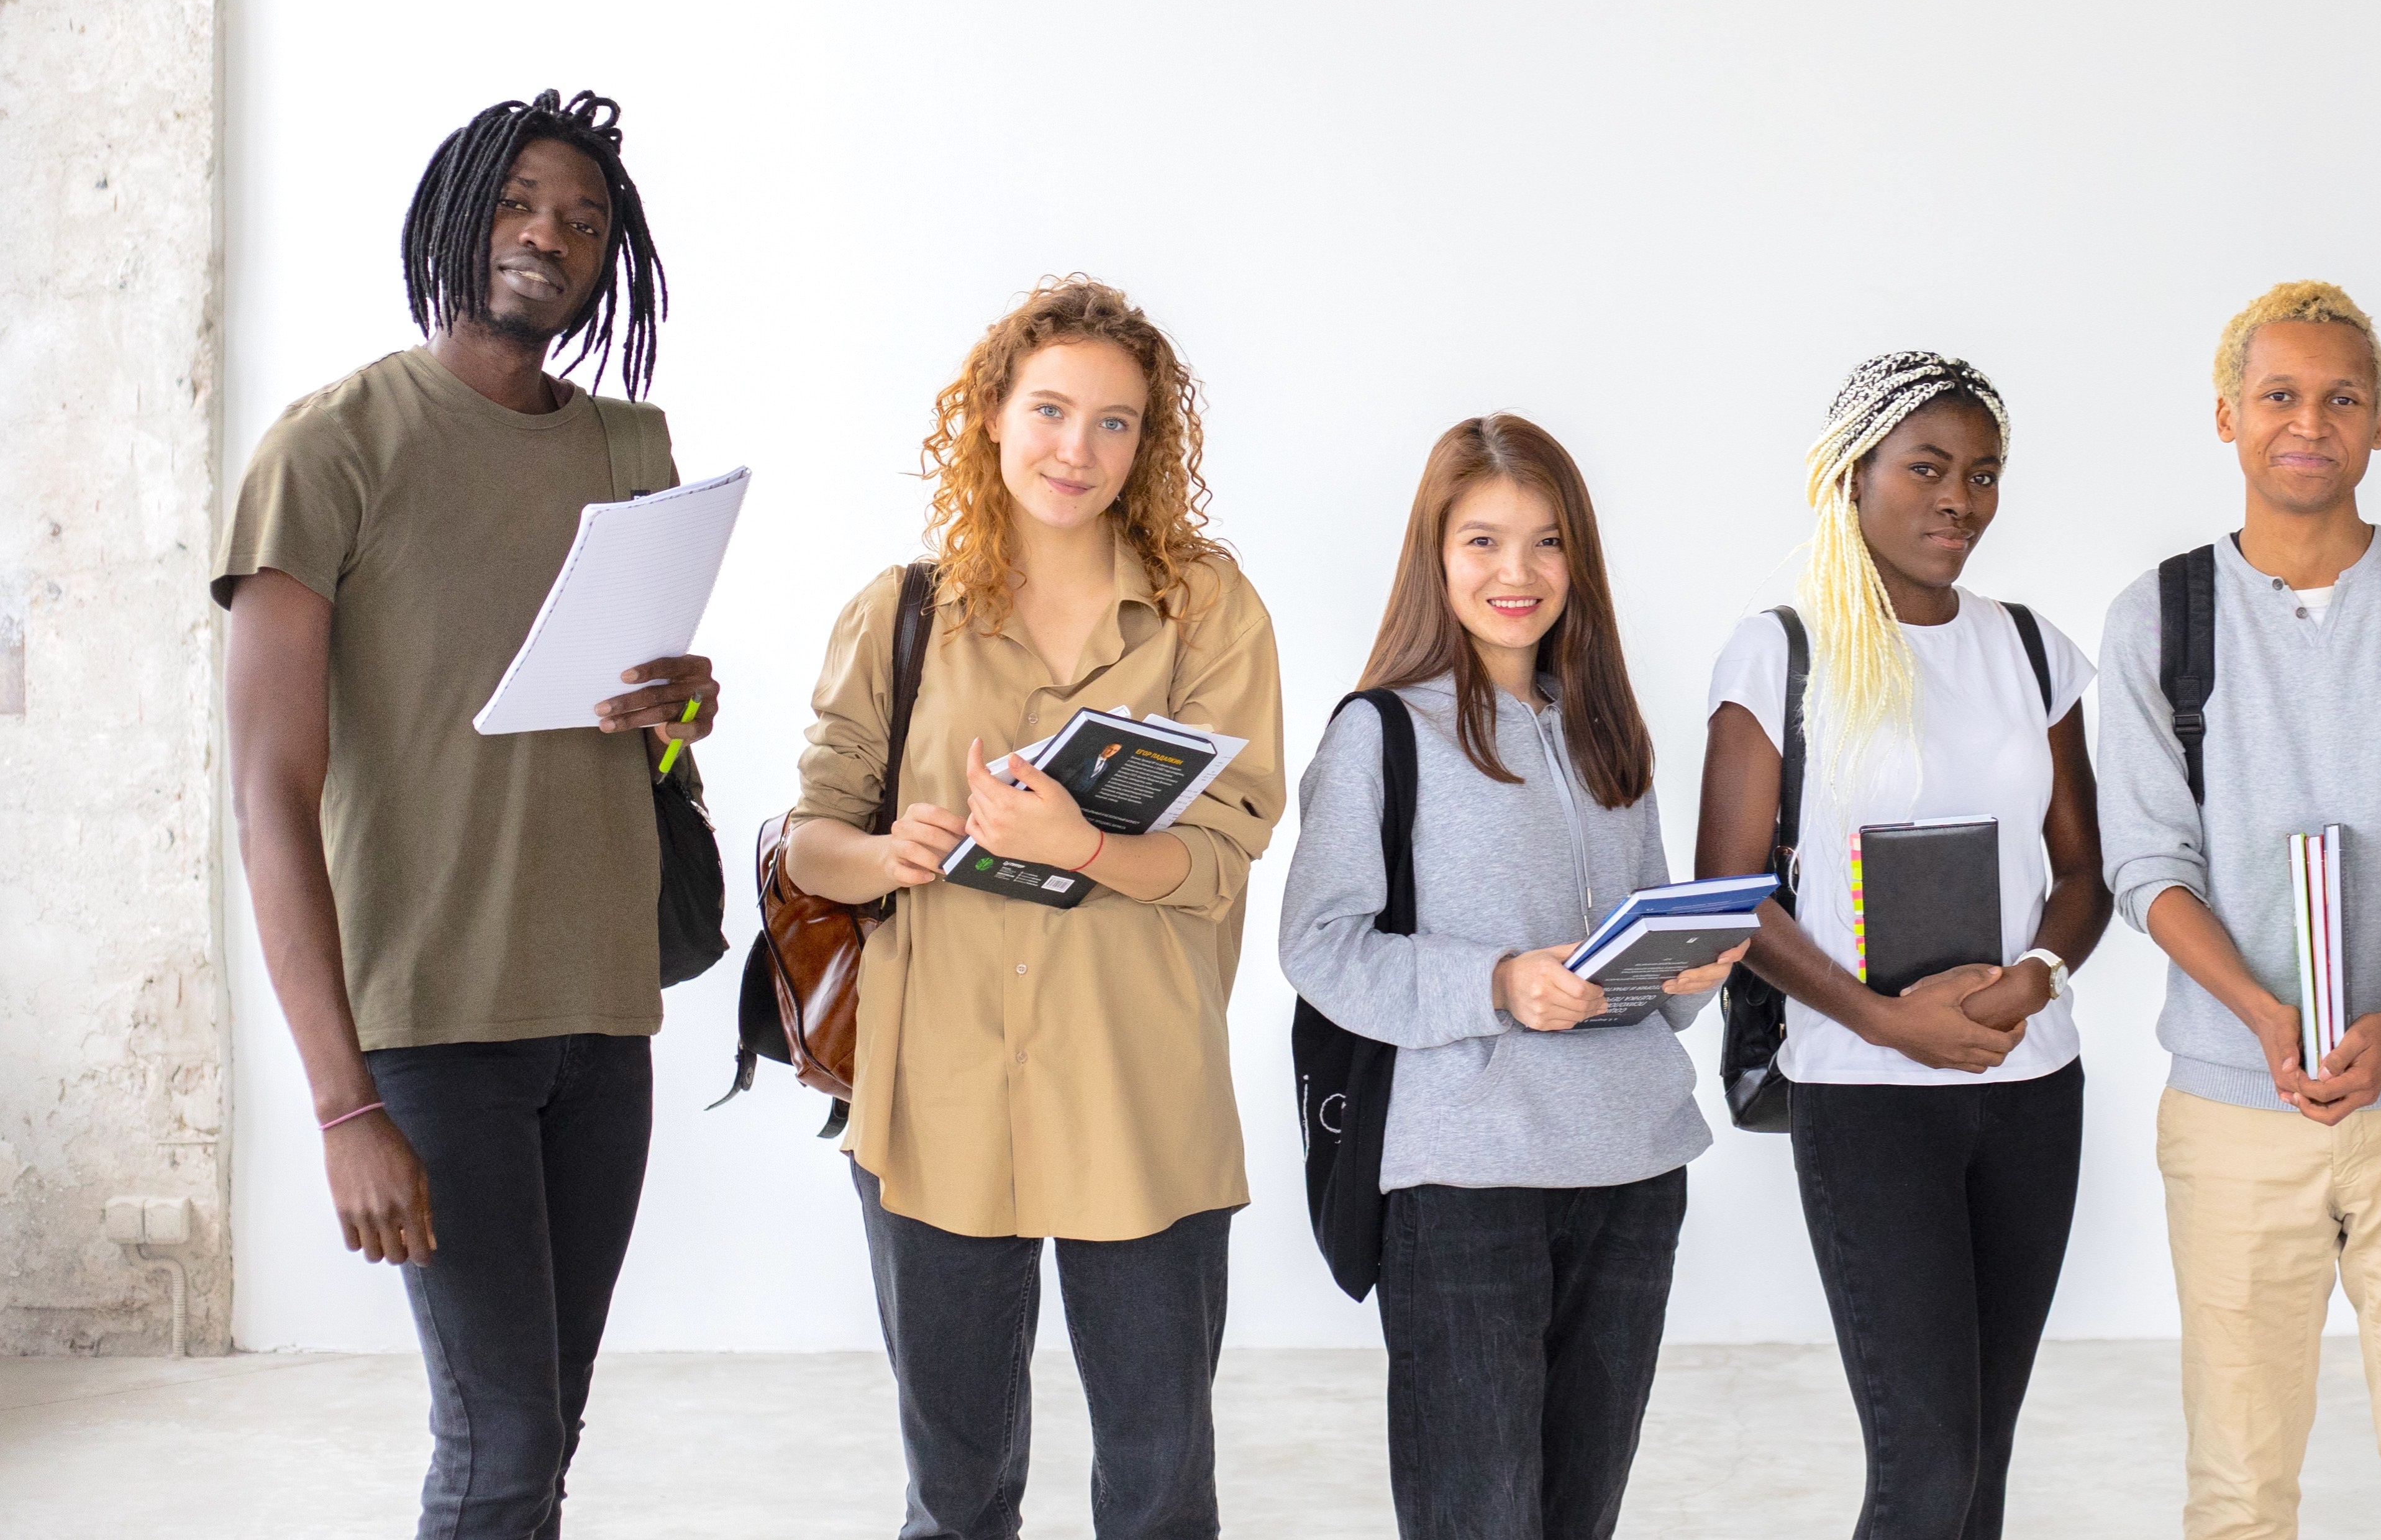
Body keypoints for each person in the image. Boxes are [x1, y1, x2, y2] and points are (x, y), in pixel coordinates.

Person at [219, 90, 719, 1538]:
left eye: (581, 217)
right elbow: (268, 792)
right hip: (429, 1027)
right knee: (495, 1441)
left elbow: (647, 735)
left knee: (541, 1431)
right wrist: (341, 1102)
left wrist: (682, 703)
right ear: (453, 212)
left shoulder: (633, 443)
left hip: (600, 1008)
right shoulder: (332, 448)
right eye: (515, 202)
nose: (545, 236)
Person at [781, 276, 1284, 1540]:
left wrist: (1082, 847)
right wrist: (890, 850)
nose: (1078, 448)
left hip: (1136, 1086)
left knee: (1159, 1490)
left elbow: (1226, 852)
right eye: (1051, 408)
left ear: (1147, 445)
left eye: (1115, 422)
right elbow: (810, 840)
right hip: (933, 1094)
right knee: (952, 1498)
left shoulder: (1205, 608)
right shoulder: (896, 613)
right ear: (991, 415)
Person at [2096, 280, 2381, 1540]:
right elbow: (2146, 861)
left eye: (2341, 395)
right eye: (2277, 394)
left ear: (2378, 421)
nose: (2308, 420)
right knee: (2235, 1488)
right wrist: (2259, 1013)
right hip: (2233, 1102)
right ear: (2225, 417)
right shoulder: (2156, 619)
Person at [1280, 414, 1744, 1540]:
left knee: (1579, 1516)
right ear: (1434, 557)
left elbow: (1642, 974)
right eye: (1482, 541)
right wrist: (1496, 981)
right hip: (1462, 1182)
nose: (1516, 573)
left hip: (1634, 1169)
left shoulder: (1607, 731)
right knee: (1479, 1519)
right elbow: (1319, 946)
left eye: (1545, 542)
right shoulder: (1378, 733)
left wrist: (1693, 972)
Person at [1692, 352, 2108, 1540]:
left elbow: (2084, 871)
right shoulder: (1781, 651)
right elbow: (1729, 894)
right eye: (1927, 467)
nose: (1960, 500)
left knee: (1981, 1463)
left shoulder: (2032, 648)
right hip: (1868, 1095)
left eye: (1982, 474)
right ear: (1850, 474)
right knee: (1924, 1471)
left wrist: (2037, 978)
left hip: (2029, 1086)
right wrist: (1884, 1018)